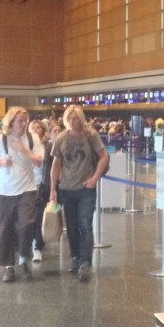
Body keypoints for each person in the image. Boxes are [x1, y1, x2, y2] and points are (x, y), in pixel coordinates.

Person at [0, 106, 43, 283]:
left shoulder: (32, 138)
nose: (24, 124)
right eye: (20, 121)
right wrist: (0, 162)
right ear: (11, 122)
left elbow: (38, 162)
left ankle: (24, 259)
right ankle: (9, 267)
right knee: (6, 228)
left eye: (26, 121)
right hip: (5, 190)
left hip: (27, 189)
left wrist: (23, 149)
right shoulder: (0, 140)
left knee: (25, 225)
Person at [49, 104, 109, 281]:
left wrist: (94, 178)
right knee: (72, 227)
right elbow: (56, 165)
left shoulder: (91, 135)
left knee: (85, 224)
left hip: (85, 189)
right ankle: (75, 256)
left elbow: (103, 156)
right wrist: (53, 189)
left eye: (74, 118)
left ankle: (85, 261)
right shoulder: (61, 138)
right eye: (69, 118)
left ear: (81, 119)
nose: (71, 121)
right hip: (67, 189)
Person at [28, 119, 52, 263]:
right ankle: (29, 242)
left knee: (38, 216)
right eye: (33, 127)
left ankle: (37, 245)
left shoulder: (47, 147)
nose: (36, 130)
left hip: (42, 185)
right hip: (26, 184)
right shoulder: (25, 145)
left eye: (38, 128)